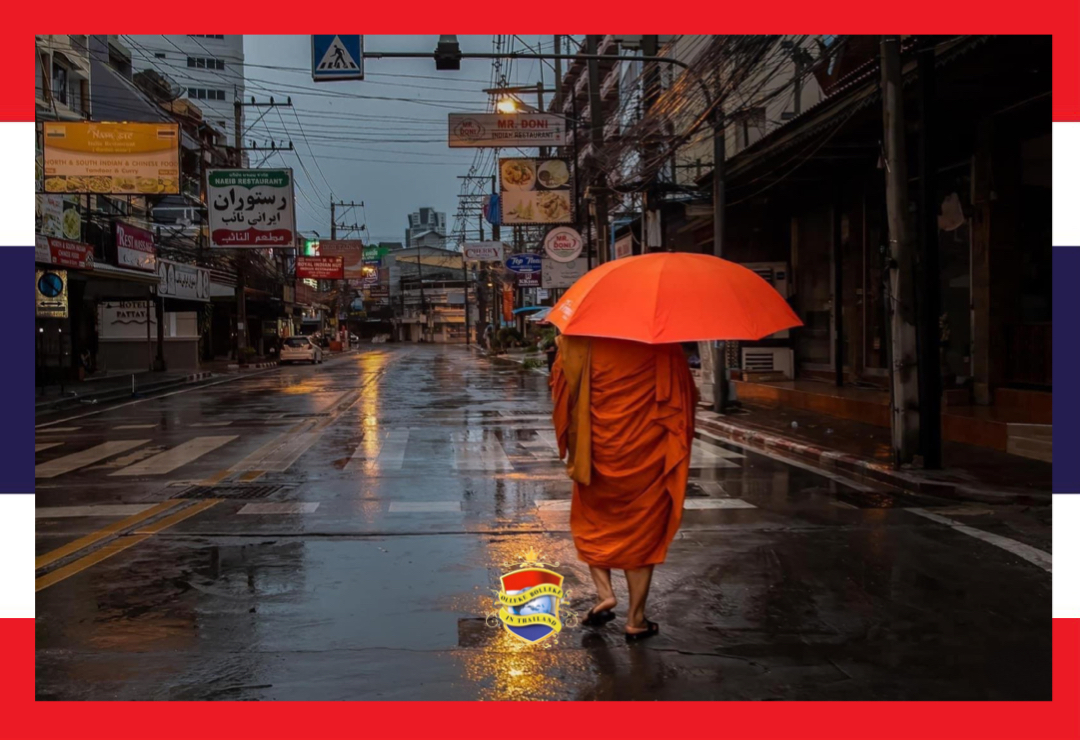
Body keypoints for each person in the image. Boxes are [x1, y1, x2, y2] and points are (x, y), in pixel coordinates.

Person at [550, 335, 698, 642]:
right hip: (648, 455)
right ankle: (636, 620)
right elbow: (685, 396)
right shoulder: (661, 343)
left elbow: (561, 393)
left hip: (597, 454)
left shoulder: (577, 342)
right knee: (643, 533)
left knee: (593, 523)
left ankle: (605, 594)